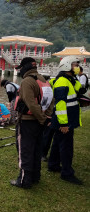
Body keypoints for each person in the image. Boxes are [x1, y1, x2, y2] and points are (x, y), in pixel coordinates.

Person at [11, 57, 54, 189]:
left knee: (25, 150)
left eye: (21, 68)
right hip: (40, 123)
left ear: (26, 67)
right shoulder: (43, 79)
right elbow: (51, 100)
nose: (20, 71)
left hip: (27, 122)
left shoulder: (27, 82)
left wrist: (42, 118)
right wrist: (46, 117)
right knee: (36, 149)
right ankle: (35, 176)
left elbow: (31, 104)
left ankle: (24, 180)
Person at [48, 56, 83, 185]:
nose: (77, 67)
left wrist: (76, 77)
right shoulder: (62, 81)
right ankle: (67, 173)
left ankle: (53, 164)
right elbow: (60, 103)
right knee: (66, 147)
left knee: (57, 142)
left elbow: (78, 90)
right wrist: (64, 123)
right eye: (75, 65)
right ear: (68, 65)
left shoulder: (69, 80)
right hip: (64, 120)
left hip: (65, 119)